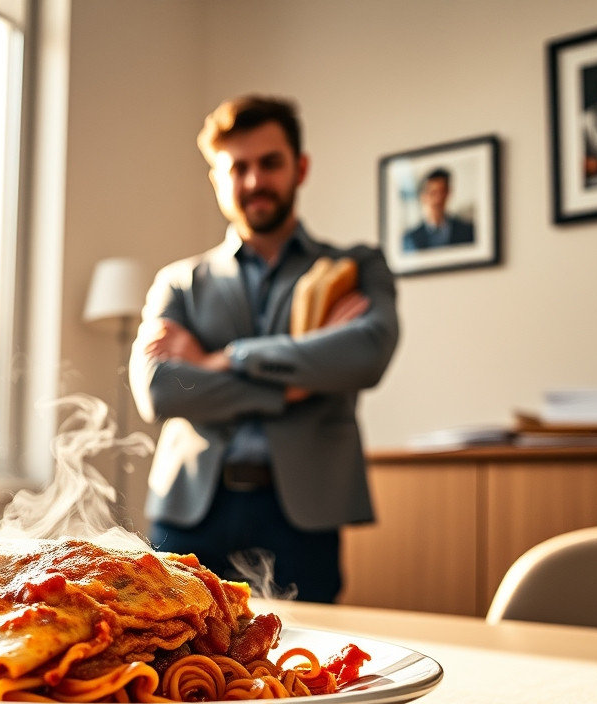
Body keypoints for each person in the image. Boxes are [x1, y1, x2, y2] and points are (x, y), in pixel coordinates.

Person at [129, 94, 399, 603]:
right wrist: (293, 383)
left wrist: (219, 359)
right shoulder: (179, 282)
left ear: (300, 167)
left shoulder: (356, 268)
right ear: (217, 179)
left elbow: (365, 354)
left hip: (302, 512)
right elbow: (162, 390)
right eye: (238, 168)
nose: (255, 181)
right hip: (189, 510)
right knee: (177, 664)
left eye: (270, 163)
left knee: (305, 669)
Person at [402, 167, 475, 251]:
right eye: (433, 193)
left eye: (442, 192)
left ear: (448, 193)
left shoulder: (466, 231)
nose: (438, 199)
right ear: (423, 197)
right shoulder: (411, 238)